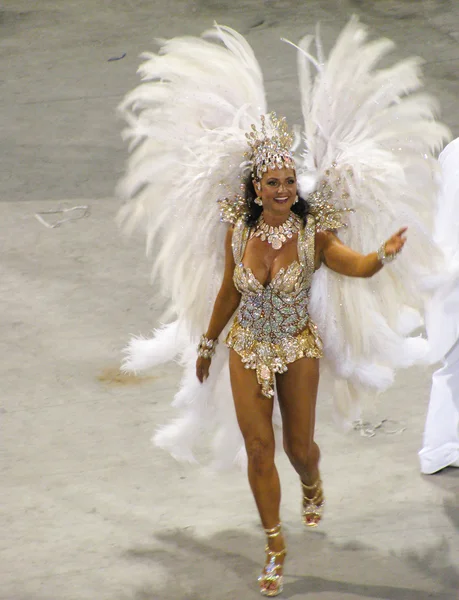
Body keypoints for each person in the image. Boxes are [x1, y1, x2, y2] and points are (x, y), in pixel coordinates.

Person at [117, 20, 448, 597]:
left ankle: (312, 482)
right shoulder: (236, 230)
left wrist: (384, 255)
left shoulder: (313, 231)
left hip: (298, 347)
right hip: (247, 346)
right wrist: (206, 341)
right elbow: (227, 291)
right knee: (259, 447)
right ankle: (275, 544)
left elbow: (355, 266)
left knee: (299, 448)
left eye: (291, 179)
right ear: (255, 185)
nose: (285, 188)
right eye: (274, 180)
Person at [419, 138, 459, 475]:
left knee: (451, 368)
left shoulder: (453, 152)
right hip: (451, 276)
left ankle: (441, 447)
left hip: (442, 274)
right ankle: (441, 448)